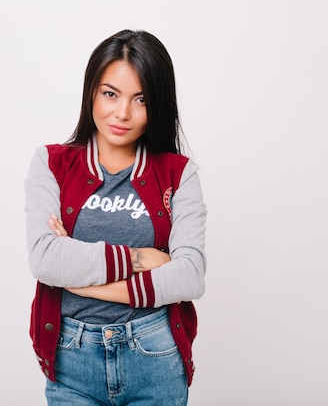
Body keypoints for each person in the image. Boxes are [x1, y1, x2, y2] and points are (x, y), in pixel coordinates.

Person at [24, 29, 207, 405]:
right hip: (71, 360)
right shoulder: (52, 164)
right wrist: (142, 258)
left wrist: (83, 282)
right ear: (91, 91)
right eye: (111, 93)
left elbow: (189, 275)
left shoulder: (178, 173)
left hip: (154, 355)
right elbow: (45, 259)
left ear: (158, 105)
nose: (122, 113)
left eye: (140, 99)